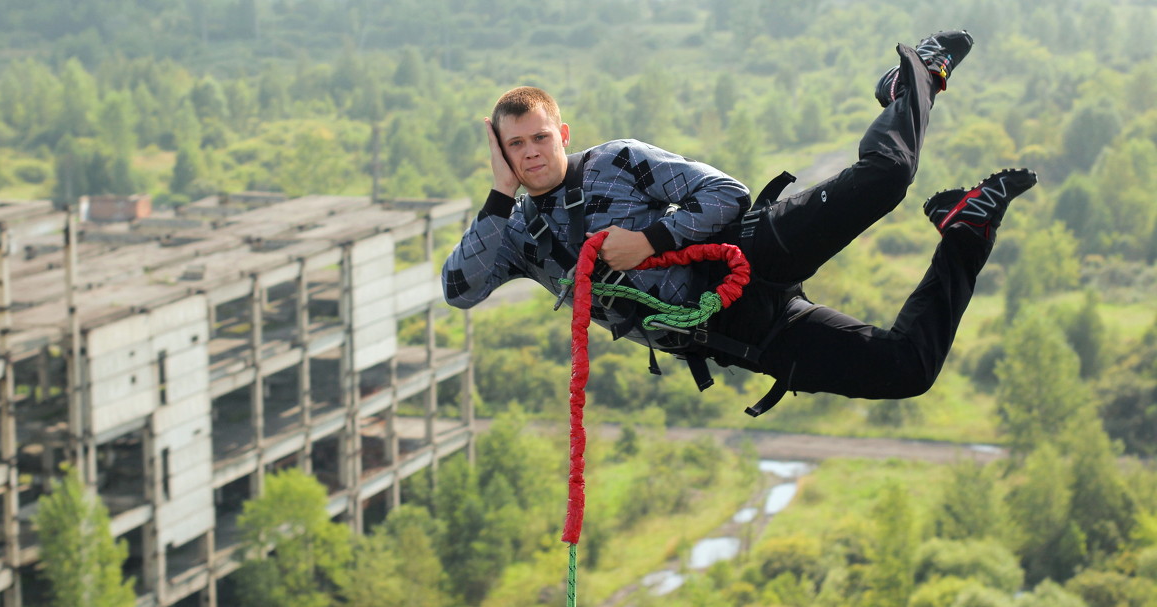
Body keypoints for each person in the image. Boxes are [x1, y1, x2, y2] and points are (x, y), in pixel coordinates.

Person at [441, 30, 1038, 414]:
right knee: (908, 369)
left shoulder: (614, 163)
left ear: (561, 133)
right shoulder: (516, 235)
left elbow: (727, 192)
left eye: (541, 137)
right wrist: (499, 193)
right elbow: (458, 291)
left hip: (749, 253)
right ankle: (967, 227)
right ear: (503, 152)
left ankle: (914, 82)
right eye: (516, 145)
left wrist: (650, 238)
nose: (532, 153)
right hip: (742, 331)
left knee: (884, 180)